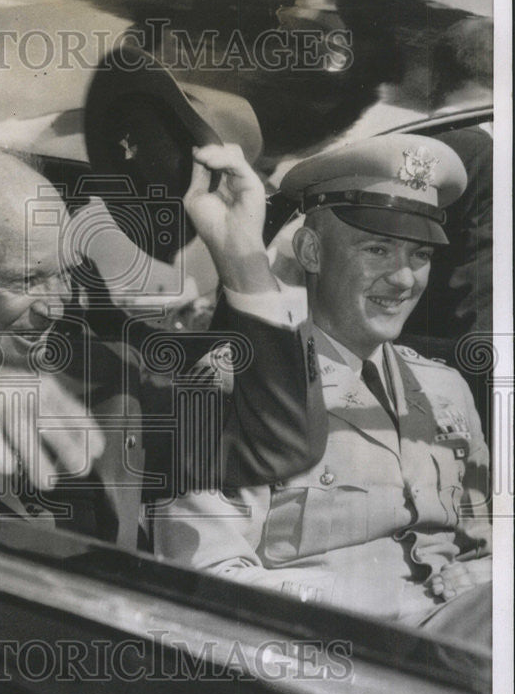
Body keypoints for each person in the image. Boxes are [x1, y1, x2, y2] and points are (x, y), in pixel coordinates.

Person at [0, 141, 326, 549]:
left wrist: (239, 252)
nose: (55, 306)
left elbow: (278, 446)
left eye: (63, 274)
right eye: (27, 280)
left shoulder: (105, 378)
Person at [156, 134, 492, 640]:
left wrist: (493, 575)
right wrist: (378, 604)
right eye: (378, 249)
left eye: (419, 254)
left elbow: (486, 545)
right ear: (311, 251)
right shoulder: (233, 387)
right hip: (336, 662)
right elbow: (205, 581)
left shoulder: (445, 388)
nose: (404, 278)